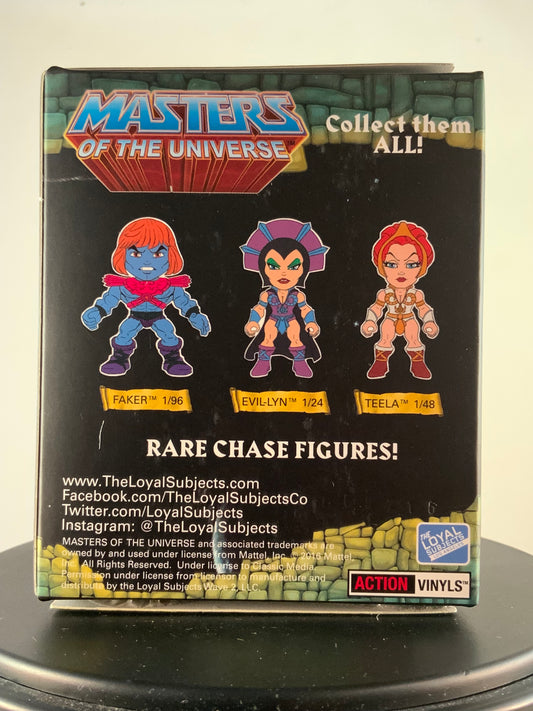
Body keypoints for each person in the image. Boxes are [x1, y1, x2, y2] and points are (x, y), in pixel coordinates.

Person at [81, 217, 210, 376]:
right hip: (134, 316)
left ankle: (173, 359)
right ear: (122, 256)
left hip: (158, 316)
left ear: (171, 256)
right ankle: (119, 359)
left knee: (168, 333)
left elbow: (184, 301)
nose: (147, 261)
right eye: (136, 253)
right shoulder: (122, 286)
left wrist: (194, 315)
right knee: (124, 333)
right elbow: (109, 300)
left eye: (158, 254)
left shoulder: (170, 286)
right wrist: (97, 311)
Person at [241, 218, 328, 378]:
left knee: (296, 335)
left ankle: (299, 362)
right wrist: (253, 322)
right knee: (268, 335)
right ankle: (263, 361)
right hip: (273, 319)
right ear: (263, 268)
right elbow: (259, 308)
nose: (283, 273)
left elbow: (305, 309)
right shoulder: (266, 294)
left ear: (303, 269)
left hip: (291, 319)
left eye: (293, 266)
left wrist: (311, 322)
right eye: (273, 266)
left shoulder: (298, 294)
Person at [361, 220, 438, 380]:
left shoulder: (417, 294)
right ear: (381, 266)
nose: (401, 271)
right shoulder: (384, 293)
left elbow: (424, 309)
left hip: (409, 319)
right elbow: (376, 308)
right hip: (390, 318)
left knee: (413, 336)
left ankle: (418, 364)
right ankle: (380, 363)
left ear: (422, 267)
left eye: (411, 265)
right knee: (385, 335)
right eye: (392, 264)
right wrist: (370, 321)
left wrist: (429, 322)